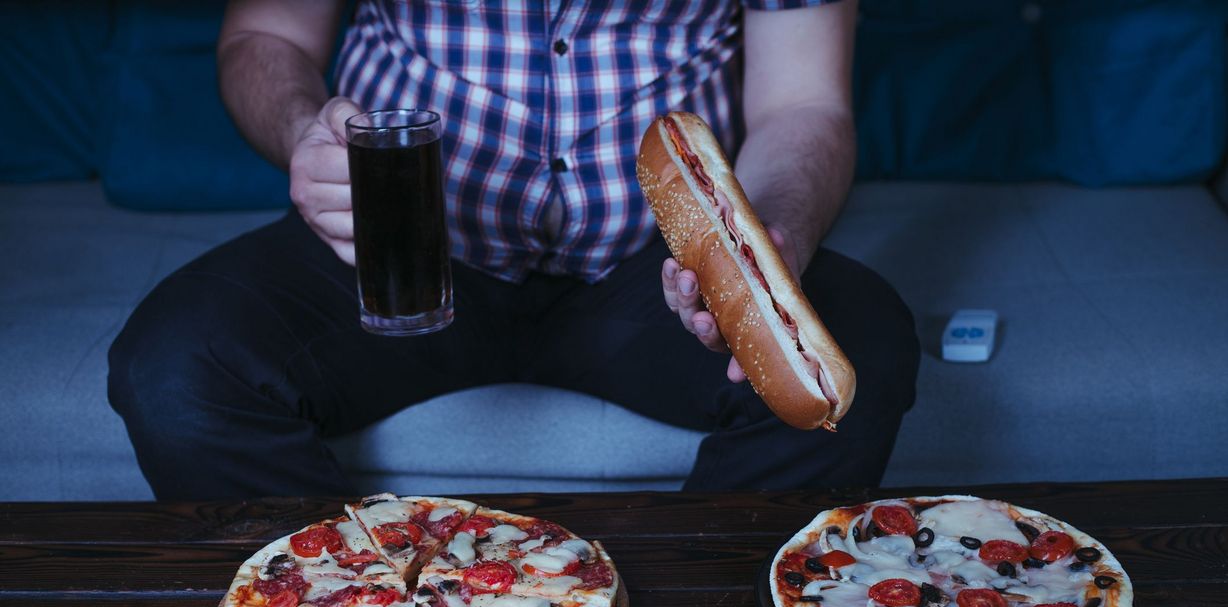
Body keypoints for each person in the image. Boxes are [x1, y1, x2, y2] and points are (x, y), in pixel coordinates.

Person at [107, 0, 919, 500]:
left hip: (656, 273)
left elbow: (804, 101)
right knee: (177, 364)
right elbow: (263, 33)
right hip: (398, 258)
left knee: (863, 348)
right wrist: (301, 137)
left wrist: (769, 241)